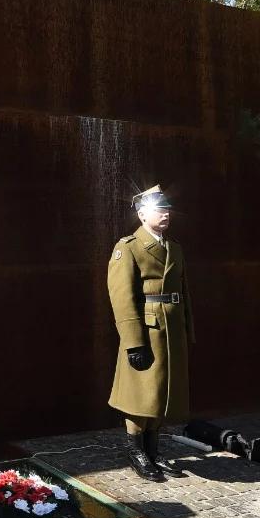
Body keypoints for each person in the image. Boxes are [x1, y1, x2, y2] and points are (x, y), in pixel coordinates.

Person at [107, 185, 194, 482]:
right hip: (147, 330)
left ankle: (153, 449)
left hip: (171, 331)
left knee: (162, 393)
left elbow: (183, 292)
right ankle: (136, 451)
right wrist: (133, 342)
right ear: (143, 215)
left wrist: (187, 330)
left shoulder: (175, 248)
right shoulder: (128, 247)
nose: (166, 214)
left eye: (168, 209)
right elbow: (122, 297)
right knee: (140, 395)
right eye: (160, 209)